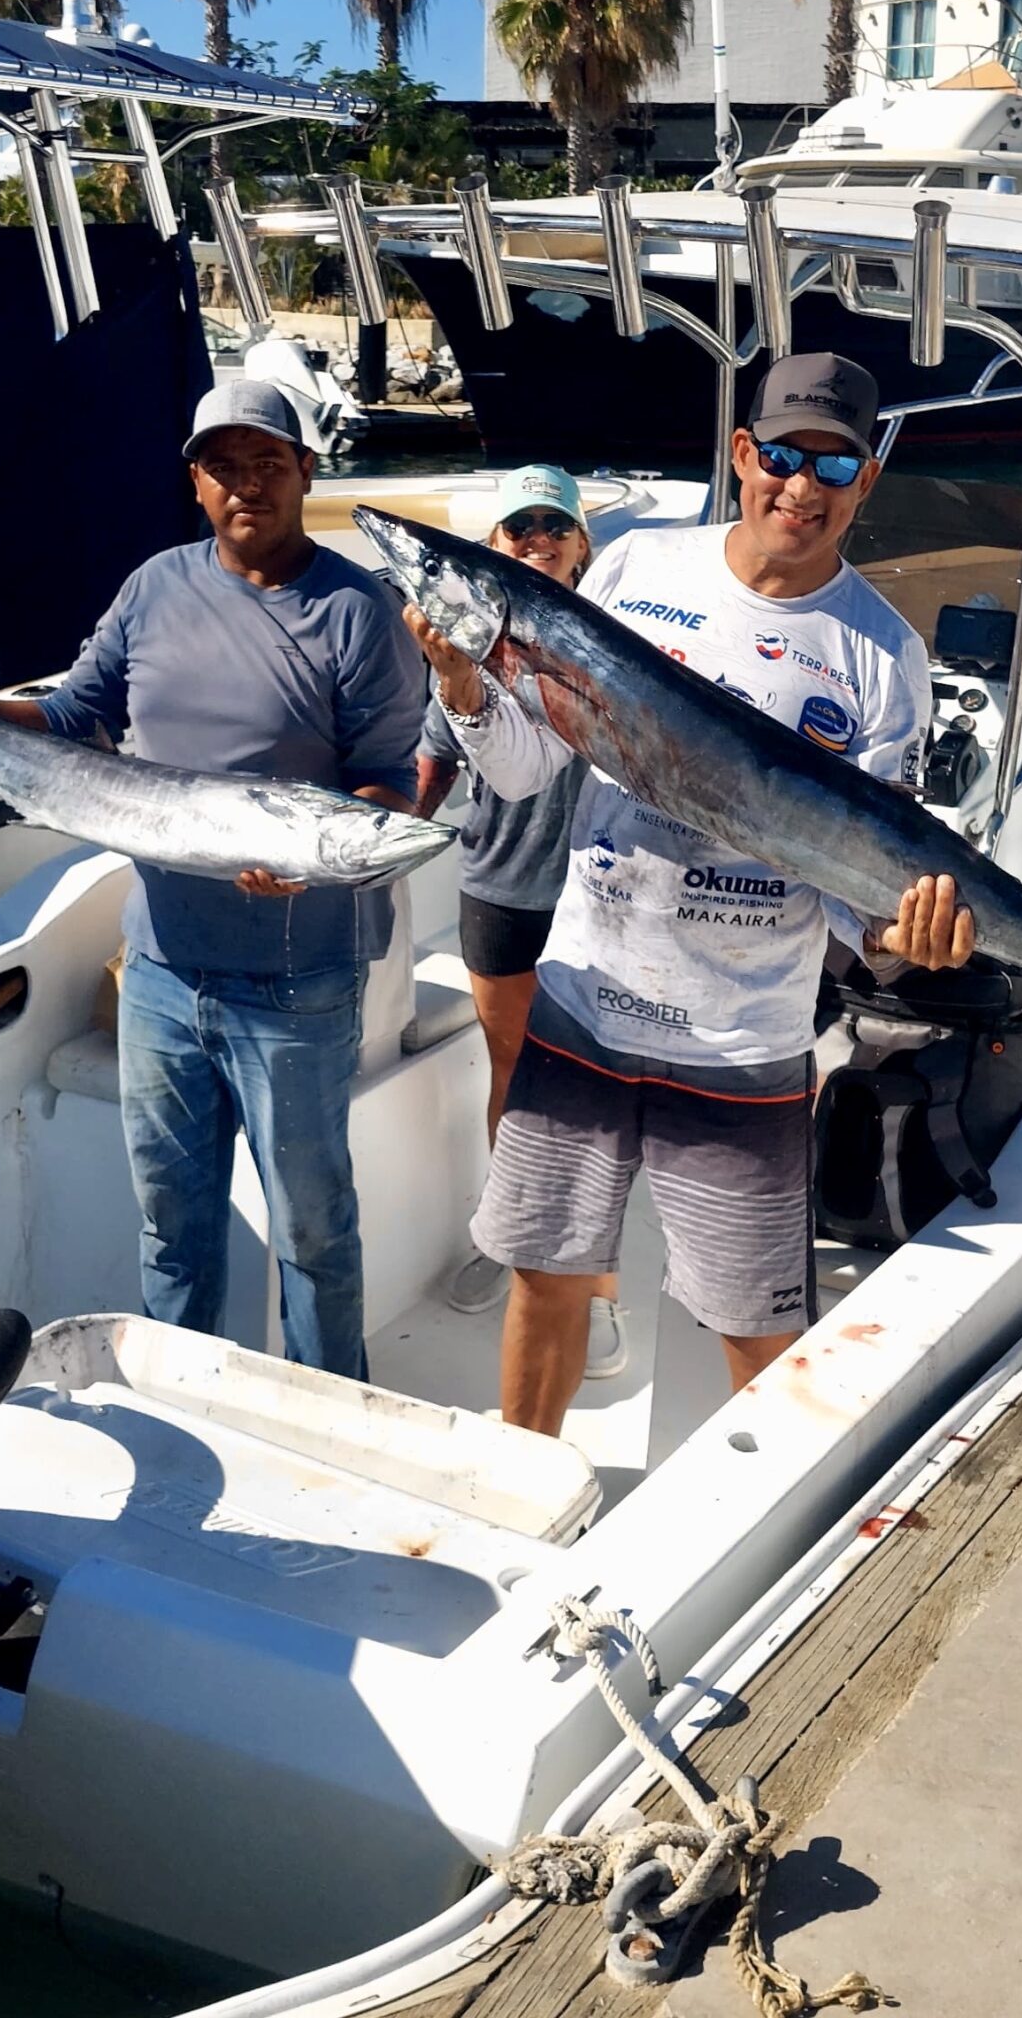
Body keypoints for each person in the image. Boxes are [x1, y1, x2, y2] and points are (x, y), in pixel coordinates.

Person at [406, 350, 975, 1436]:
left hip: (743, 1043)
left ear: (867, 479)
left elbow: (870, 911)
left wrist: (913, 945)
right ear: (740, 453)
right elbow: (528, 769)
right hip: (583, 1004)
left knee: (757, 1325)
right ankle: (522, 1485)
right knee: (546, 1277)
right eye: (781, 455)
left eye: (834, 463)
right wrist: (459, 681)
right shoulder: (631, 570)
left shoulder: (884, 658)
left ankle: (769, 1523)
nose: (800, 487)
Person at [0, 377, 422, 1379]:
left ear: (305, 473)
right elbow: (69, 721)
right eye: (224, 466)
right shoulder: (154, 588)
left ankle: (338, 1414)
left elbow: (387, 784)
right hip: (156, 973)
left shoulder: (357, 612)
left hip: (298, 983)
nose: (247, 484)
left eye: (268, 462)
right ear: (194, 482)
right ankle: (186, 1413)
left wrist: (310, 869)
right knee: (171, 1227)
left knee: (313, 1234)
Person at [414, 465, 623, 1378]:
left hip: (597, 899)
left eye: (553, 524)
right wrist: (364, 845)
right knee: (513, 1076)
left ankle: (596, 1288)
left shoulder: (623, 640)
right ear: (492, 548)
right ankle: (511, 1240)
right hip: (497, 888)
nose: (535, 536)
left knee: (592, 1097)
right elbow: (429, 769)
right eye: (516, 527)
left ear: (581, 545)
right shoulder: (460, 653)